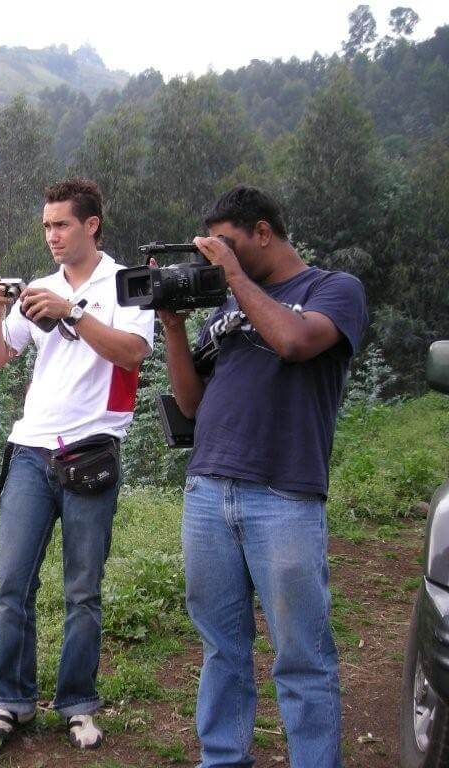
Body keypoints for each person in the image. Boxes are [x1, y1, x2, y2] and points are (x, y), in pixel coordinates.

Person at [160, 186, 367, 767]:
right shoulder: (227, 308)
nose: (213, 257)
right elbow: (192, 404)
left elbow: (295, 342)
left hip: (285, 493)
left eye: (224, 244)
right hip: (207, 489)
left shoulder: (333, 290)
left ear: (263, 233)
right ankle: (222, 759)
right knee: (221, 649)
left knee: (301, 656)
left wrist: (234, 280)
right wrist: (175, 326)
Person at [0, 178, 154, 749]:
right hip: (30, 449)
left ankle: (77, 704)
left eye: (62, 225)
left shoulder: (124, 285)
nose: (51, 235)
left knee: (82, 589)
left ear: (91, 224)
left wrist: (71, 311)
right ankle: (12, 703)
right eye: (47, 225)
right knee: (11, 585)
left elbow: (132, 354)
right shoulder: (39, 288)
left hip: (92, 451)